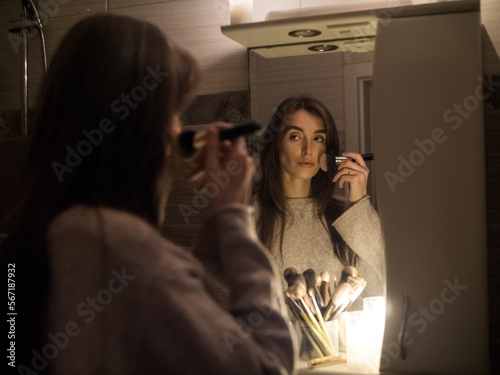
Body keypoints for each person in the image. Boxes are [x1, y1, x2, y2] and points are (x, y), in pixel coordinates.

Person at [1, 14, 295, 375]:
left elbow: (186, 319)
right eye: (173, 113)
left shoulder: (55, 228)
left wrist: (219, 224)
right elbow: (270, 366)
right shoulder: (118, 245)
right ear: (141, 129)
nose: (179, 131)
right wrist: (233, 214)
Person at [253, 95, 385, 303]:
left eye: (318, 139)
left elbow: (377, 290)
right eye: (295, 137)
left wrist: (359, 202)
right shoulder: (248, 217)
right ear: (275, 145)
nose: (308, 150)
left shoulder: (344, 217)